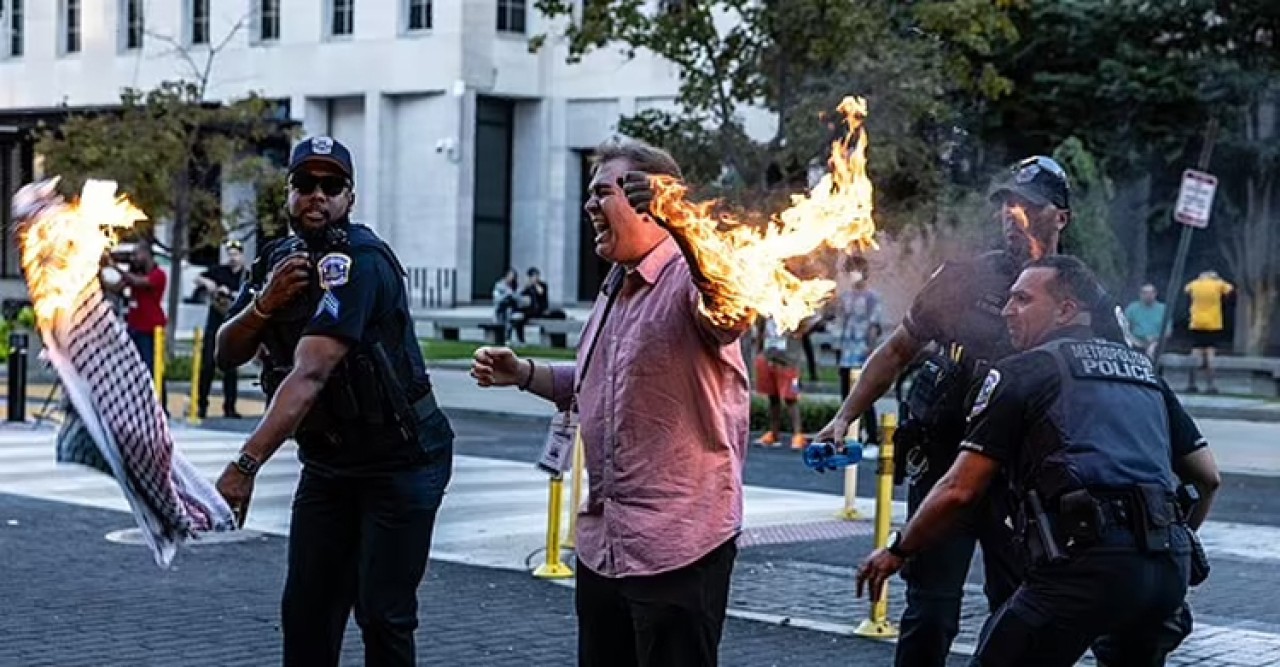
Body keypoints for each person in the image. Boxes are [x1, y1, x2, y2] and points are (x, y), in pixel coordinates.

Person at [815, 155, 1129, 667]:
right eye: (1006, 203)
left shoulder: (1080, 293)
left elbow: (1115, 375)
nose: (1012, 214)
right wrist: (844, 416)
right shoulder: (962, 279)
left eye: (1027, 205)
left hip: (1024, 480)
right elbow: (898, 350)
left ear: (1061, 217)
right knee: (932, 610)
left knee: (1017, 608)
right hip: (946, 468)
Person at [855, 255, 1221, 666]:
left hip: (1083, 571)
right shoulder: (1143, 370)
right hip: (1168, 571)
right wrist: (1176, 539)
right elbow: (1207, 477)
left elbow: (959, 489)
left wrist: (898, 550)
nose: (1008, 311)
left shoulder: (1025, 371)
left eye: (1023, 300)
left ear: (1066, 310)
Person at [471, 137, 752, 667]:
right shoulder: (616, 283)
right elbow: (600, 379)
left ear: (653, 201)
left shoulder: (693, 279)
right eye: (589, 194)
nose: (589, 206)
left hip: (679, 547)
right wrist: (524, 374)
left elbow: (730, 309)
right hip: (605, 546)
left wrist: (683, 220)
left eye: (603, 193)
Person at [212, 136, 453, 667]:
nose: (316, 196)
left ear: (350, 197)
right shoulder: (276, 263)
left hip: (401, 462)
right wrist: (263, 304)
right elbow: (227, 352)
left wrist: (245, 464)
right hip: (329, 465)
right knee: (307, 612)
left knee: (382, 614)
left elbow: (312, 371)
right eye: (304, 184)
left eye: (331, 185)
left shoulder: (359, 261)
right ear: (287, 193)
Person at [194, 239, 248, 419]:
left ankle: (230, 407)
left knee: (230, 368)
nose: (233, 258)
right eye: (230, 254)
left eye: (236, 254)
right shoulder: (219, 271)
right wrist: (211, 285)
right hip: (215, 324)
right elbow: (198, 277)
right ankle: (202, 405)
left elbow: (251, 295)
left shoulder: (246, 276)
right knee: (207, 365)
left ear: (242, 256)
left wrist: (230, 293)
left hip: (234, 324)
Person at [835, 255, 883, 444]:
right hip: (846, 352)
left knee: (864, 397)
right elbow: (840, 322)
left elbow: (874, 327)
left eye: (856, 270)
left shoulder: (872, 298)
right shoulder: (845, 297)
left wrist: (870, 353)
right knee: (846, 396)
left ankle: (872, 437)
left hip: (862, 353)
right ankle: (848, 435)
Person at [112, 238, 168, 374]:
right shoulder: (135, 273)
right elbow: (117, 288)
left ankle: (157, 394)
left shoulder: (158, 275)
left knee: (150, 368)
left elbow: (138, 282)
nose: (133, 258)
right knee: (133, 368)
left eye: (136, 254)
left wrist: (115, 267)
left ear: (146, 254)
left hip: (150, 329)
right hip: (133, 327)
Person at [754, 316, 809, 450]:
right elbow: (761, 328)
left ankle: (797, 434)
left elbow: (804, 328)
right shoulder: (766, 305)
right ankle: (774, 433)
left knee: (791, 399)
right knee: (772, 397)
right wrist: (759, 351)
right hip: (769, 356)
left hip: (788, 361)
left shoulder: (794, 306)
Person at [1183, 270, 1234, 394]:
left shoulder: (1195, 284)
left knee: (1195, 352)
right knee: (1210, 354)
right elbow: (1230, 290)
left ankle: (1191, 383)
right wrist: (1217, 279)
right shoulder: (1218, 284)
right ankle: (1211, 385)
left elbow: (1186, 290)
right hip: (1213, 323)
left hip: (1196, 322)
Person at [1125, 283, 1167, 360]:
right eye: (1145, 293)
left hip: (1157, 344)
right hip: (1135, 343)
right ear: (1140, 294)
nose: (1148, 295)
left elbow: (1168, 331)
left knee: (1152, 351)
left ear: (1155, 294)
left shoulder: (1163, 309)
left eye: (1151, 293)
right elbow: (1124, 328)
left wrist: (1154, 341)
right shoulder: (1132, 308)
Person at [510, 266, 550, 344]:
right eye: (533, 276)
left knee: (522, 317)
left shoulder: (542, 285)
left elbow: (541, 292)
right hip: (530, 310)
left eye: (537, 276)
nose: (536, 278)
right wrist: (526, 286)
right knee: (519, 319)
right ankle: (521, 340)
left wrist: (535, 285)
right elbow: (520, 296)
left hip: (540, 310)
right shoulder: (528, 287)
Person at [493, 268, 520, 343]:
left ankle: (509, 338)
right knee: (506, 315)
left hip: (512, 308)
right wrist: (507, 294)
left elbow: (518, 298)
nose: (511, 278)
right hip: (501, 309)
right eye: (510, 276)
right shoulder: (499, 285)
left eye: (513, 276)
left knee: (512, 316)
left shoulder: (515, 286)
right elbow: (497, 299)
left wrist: (513, 295)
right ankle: (502, 338)